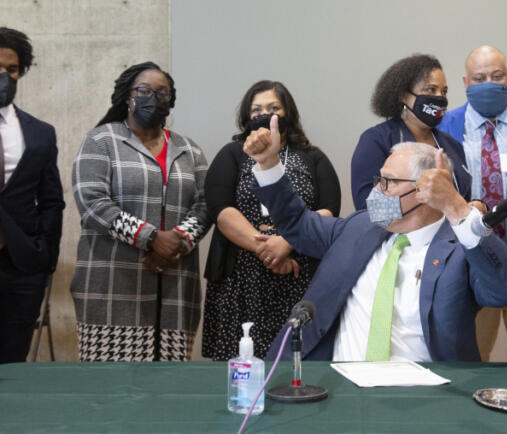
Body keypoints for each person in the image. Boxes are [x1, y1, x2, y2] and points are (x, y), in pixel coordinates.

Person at [247, 118, 507, 362]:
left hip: (423, 397)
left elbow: (506, 291)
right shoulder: (359, 228)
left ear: (424, 190)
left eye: (388, 182)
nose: (377, 190)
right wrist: (269, 165)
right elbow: (297, 223)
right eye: (379, 179)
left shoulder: (460, 250)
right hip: (340, 386)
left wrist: (458, 208)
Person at [71, 62, 210, 361]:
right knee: (111, 391)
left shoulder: (190, 149)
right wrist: (150, 238)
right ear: (127, 96)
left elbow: (206, 204)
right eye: (144, 91)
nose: (153, 98)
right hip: (113, 286)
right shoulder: (101, 140)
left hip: (175, 283)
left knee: (167, 391)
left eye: (162, 93)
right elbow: (92, 202)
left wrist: (176, 242)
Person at [202, 80, 341, 360]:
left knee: (295, 361)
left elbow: (328, 210)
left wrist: (286, 242)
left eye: (273, 107)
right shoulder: (232, 154)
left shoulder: (313, 158)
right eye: (256, 109)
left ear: (288, 112)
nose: (264, 114)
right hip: (241, 277)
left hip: (298, 275)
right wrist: (267, 250)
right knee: (241, 360)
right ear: (246, 117)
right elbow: (221, 210)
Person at [438, 45, 507, 362]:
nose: (489, 84)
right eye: (479, 78)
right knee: (473, 358)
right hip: (472, 260)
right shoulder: (443, 127)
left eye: (497, 76)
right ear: (465, 83)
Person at [0, 28, 64, 364]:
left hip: (22, 265)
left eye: (11, 70)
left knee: (13, 363)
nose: (4, 76)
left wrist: (44, 254)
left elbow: (52, 199)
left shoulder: (40, 132)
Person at [350, 54, 471, 210]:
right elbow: (368, 208)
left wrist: (475, 207)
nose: (439, 97)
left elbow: (463, 198)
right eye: (431, 89)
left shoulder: (452, 145)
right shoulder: (376, 141)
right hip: (398, 234)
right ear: (403, 96)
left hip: (452, 233)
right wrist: (428, 212)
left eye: (444, 92)